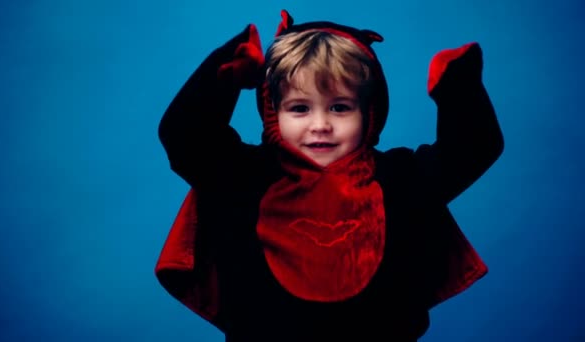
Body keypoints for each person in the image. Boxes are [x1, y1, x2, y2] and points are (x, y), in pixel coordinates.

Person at [155, 9, 504, 342]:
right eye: (300, 108)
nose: (320, 125)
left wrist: (459, 89)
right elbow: (185, 138)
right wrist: (225, 74)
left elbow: (471, 151)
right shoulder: (243, 177)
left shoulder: (401, 179)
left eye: (340, 107)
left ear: (369, 112)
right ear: (272, 109)